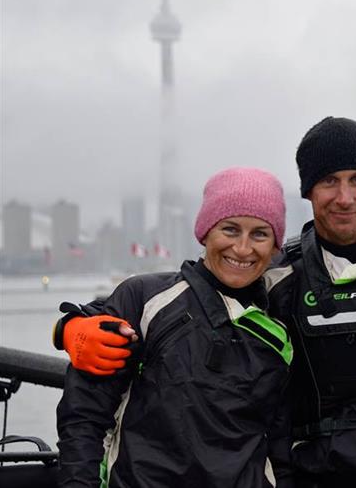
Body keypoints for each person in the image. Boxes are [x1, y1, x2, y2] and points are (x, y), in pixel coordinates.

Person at [56, 118, 356, 487]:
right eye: (328, 181)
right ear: (307, 190)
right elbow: (192, 292)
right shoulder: (276, 274)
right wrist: (74, 329)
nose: (344, 197)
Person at [55, 167, 293, 488]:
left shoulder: (281, 323)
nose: (242, 248)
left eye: (260, 234)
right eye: (230, 229)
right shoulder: (143, 299)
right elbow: (83, 415)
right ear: (205, 231)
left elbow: (281, 442)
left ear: (276, 245)